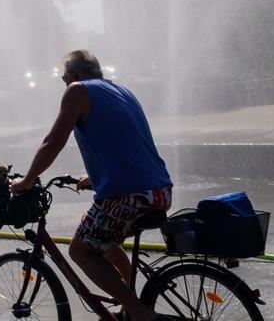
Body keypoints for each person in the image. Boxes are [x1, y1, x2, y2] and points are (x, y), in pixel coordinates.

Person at [12, 49, 173, 321]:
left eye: (64, 78)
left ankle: (139, 312)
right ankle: (128, 303)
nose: (64, 83)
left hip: (127, 195)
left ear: (73, 75)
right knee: (103, 241)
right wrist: (96, 178)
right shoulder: (121, 90)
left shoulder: (77, 91)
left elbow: (53, 142)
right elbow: (123, 143)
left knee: (80, 250)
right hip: (159, 190)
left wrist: (26, 180)